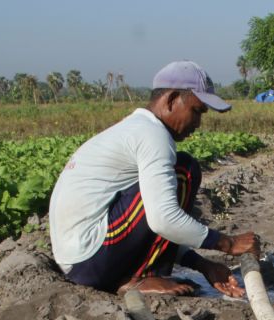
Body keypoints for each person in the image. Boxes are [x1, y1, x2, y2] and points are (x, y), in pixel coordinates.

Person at [49, 61, 258, 298]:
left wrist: (204, 265)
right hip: (90, 261)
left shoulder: (135, 129)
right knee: (185, 170)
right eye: (197, 111)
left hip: (81, 263)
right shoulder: (152, 134)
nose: (198, 124)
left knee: (164, 186)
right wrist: (227, 243)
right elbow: (162, 219)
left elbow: (151, 228)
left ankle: (140, 273)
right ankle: (140, 278)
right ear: (171, 100)